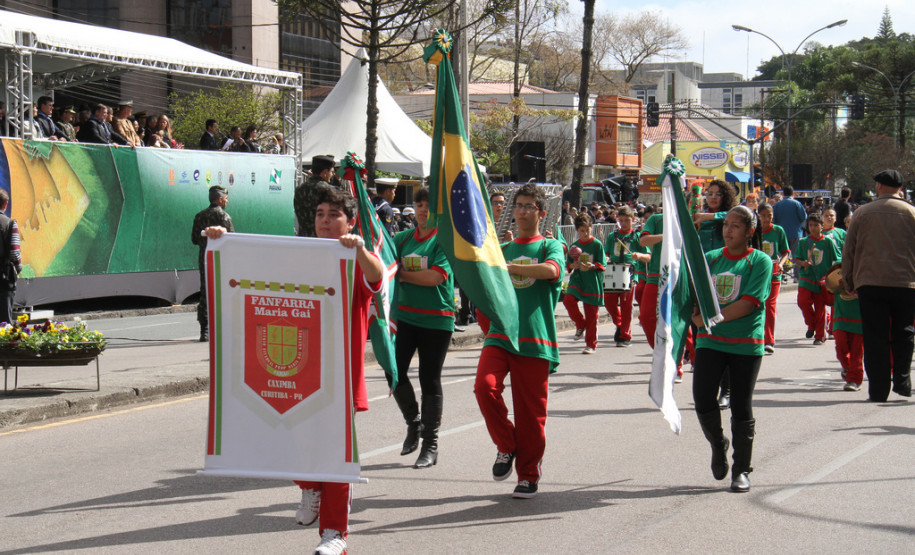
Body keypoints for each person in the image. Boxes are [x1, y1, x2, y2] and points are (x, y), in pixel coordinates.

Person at [205, 186, 383, 555]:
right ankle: (310, 488)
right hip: (297, 372)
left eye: (334, 214)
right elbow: (250, 267)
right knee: (292, 437)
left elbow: (377, 277)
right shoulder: (300, 255)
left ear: (349, 221)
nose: (325, 221)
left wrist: (360, 249)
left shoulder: (353, 257)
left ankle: (335, 533)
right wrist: (223, 241)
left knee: (335, 452)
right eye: (320, 214)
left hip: (338, 377)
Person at [474, 182, 563, 499]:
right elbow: (486, 294)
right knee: (484, 388)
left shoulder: (549, 247)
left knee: (531, 415)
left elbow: (552, 272)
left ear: (540, 212)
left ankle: (528, 474)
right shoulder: (502, 250)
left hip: (535, 340)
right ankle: (506, 445)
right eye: (519, 205)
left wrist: (506, 268)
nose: (522, 211)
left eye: (529, 206)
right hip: (500, 337)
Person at [691, 205, 771, 493]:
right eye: (726, 225)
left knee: (740, 405)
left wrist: (710, 318)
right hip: (710, 342)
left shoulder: (759, 261)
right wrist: (692, 314)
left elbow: (749, 303)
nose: (728, 230)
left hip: (745, 344)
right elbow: (692, 294)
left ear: (750, 232)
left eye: (736, 226)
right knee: (702, 399)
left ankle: (741, 470)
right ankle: (718, 442)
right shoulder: (710, 259)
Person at [389, 187, 455, 468]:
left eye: (429, 206)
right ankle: (413, 423)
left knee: (430, 379)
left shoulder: (444, 241)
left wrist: (400, 274)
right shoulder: (402, 238)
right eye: (419, 205)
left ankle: (431, 444)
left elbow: (434, 278)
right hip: (404, 318)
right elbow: (382, 264)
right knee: (393, 372)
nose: (423, 210)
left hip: (436, 319)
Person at [842, 169, 915, 402]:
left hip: (870, 282)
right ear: (901, 189)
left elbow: (849, 249)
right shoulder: (912, 213)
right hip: (906, 282)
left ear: (879, 187)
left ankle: (878, 390)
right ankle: (902, 379)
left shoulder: (862, 212)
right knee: (904, 332)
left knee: (875, 337)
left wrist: (849, 279)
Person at [190, 186, 234, 342]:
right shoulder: (225, 217)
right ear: (220, 199)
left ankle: (205, 330)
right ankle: (222, 328)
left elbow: (195, 239)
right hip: (222, 260)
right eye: (226, 199)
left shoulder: (199, 216)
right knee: (223, 291)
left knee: (205, 291)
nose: (227, 201)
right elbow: (232, 240)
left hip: (205, 259)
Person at [604, 205, 648, 347]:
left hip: (629, 273)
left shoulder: (636, 237)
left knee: (626, 305)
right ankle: (620, 323)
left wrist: (639, 255)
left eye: (626, 221)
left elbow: (648, 255)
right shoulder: (613, 236)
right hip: (614, 270)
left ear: (633, 219)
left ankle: (625, 335)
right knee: (609, 302)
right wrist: (606, 258)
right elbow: (607, 253)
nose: (623, 224)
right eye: (621, 220)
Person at [794, 212, 841, 345]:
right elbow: (797, 259)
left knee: (820, 307)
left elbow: (837, 257)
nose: (813, 228)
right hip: (806, 277)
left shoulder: (827, 242)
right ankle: (811, 323)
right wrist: (803, 263)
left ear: (822, 226)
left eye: (816, 225)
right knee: (802, 301)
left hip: (821, 279)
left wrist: (830, 274)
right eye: (811, 225)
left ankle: (820, 336)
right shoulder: (803, 242)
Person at [563, 212, 605, 354]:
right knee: (568, 300)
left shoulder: (596, 244)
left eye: (587, 229)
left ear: (591, 228)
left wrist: (592, 266)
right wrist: (572, 266)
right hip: (578, 280)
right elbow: (568, 264)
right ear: (577, 231)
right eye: (582, 230)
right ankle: (581, 324)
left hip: (592, 281)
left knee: (592, 314)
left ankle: (591, 344)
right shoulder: (574, 246)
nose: (585, 233)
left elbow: (602, 264)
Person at [757, 202, 790, 354]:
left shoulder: (778, 231)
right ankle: (758, 338)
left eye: (769, 216)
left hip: (775, 273)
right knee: (758, 305)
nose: (766, 219)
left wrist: (782, 264)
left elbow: (785, 252)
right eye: (763, 216)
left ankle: (769, 340)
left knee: (770, 305)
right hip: (758, 274)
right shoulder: (753, 231)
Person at [294, 155, 338, 237]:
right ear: (325, 172)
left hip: (302, 238)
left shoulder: (299, 189)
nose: (332, 175)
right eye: (331, 172)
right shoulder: (329, 190)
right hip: (321, 239)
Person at [833, 289, 864, 392]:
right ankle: (847, 367)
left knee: (857, 351)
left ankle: (854, 380)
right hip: (841, 313)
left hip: (860, 314)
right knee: (840, 345)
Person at [0, 190, 22, 324]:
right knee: (4, 323)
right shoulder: (9, 224)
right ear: (5, 204)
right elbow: (14, 253)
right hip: (3, 277)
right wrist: (17, 269)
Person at [773, 185, 807, 264]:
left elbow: (774, 219)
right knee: (797, 256)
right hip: (796, 233)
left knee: (782, 256)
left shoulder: (777, 205)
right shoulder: (797, 204)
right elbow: (803, 217)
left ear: (783, 194)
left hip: (781, 234)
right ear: (793, 193)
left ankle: (781, 272)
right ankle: (797, 275)